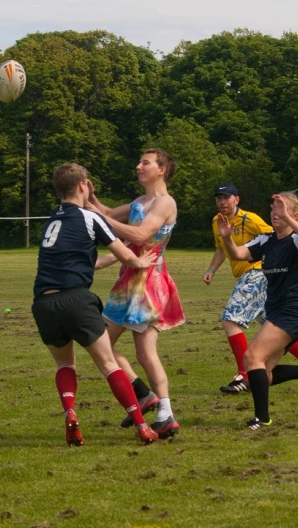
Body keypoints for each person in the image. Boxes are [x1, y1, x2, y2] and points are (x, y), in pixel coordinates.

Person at [31, 162, 160, 446]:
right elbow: (125, 253)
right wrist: (139, 261)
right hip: (76, 300)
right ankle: (141, 425)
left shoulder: (52, 220)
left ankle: (70, 412)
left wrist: (118, 258)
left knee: (65, 365)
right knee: (109, 364)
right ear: (82, 186)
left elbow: (87, 263)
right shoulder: (90, 218)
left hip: (43, 303)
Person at [87, 148, 185, 439]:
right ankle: (143, 395)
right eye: (139, 160)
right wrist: (91, 199)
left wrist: (102, 222)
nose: (138, 166)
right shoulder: (140, 201)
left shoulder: (165, 203)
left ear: (162, 170)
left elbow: (141, 235)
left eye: (145, 162)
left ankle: (164, 412)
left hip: (149, 284)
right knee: (99, 342)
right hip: (128, 281)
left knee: (144, 352)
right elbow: (105, 213)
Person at [216, 192, 298, 430]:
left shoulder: (297, 240)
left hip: (295, 311)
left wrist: (290, 219)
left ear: (294, 215)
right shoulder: (266, 240)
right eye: (273, 209)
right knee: (264, 375)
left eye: (280, 209)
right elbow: (238, 254)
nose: (275, 213)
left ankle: (262, 418)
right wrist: (227, 239)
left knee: (252, 358)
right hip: (277, 310)